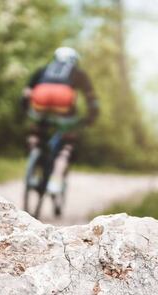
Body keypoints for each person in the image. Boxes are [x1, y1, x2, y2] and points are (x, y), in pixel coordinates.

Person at [20, 47, 99, 197]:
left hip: (40, 104)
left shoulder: (43, 70)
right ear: (75, 61)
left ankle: (34, 158)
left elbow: (26, 93)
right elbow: (91, 99)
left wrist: (26, 111)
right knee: (67, 143)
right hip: (63, 108)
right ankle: (56, 180)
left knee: (36, 133)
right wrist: (90, 118)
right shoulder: (78, 73)